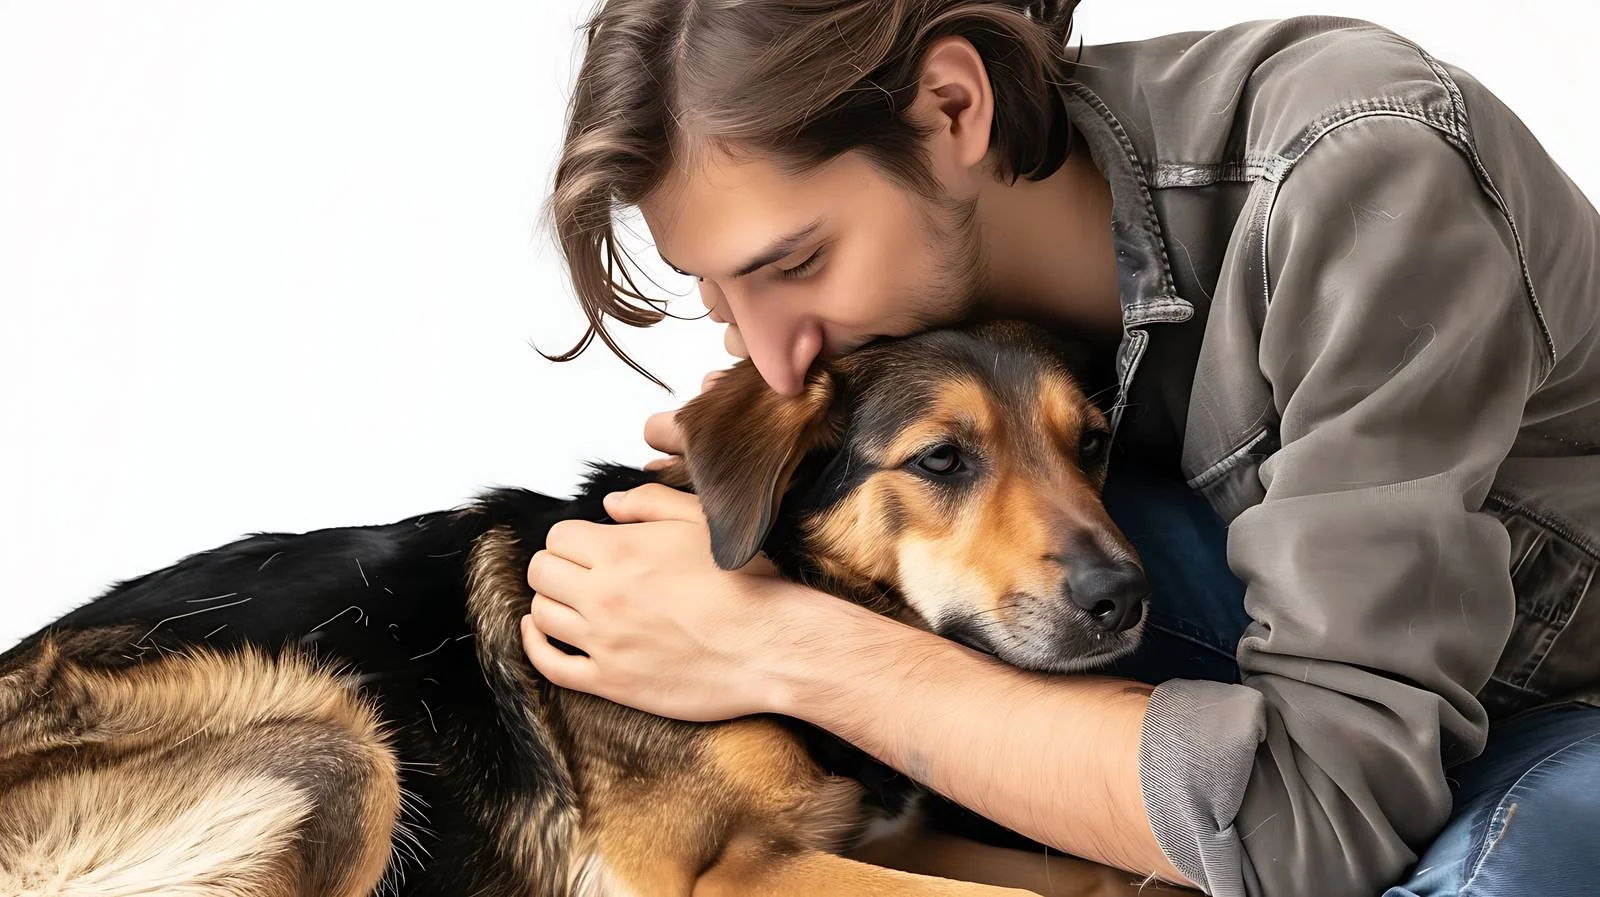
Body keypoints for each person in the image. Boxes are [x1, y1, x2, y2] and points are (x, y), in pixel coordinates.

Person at [520, 2, 1600, 895]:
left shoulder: (1361, 177)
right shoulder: (937, 348)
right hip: (1269, 655)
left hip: (1548, 700)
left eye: (796, 263)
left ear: (954, 107)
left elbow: (1315, 822)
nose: (771, 355)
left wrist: (785, 648)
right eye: (719, 296)